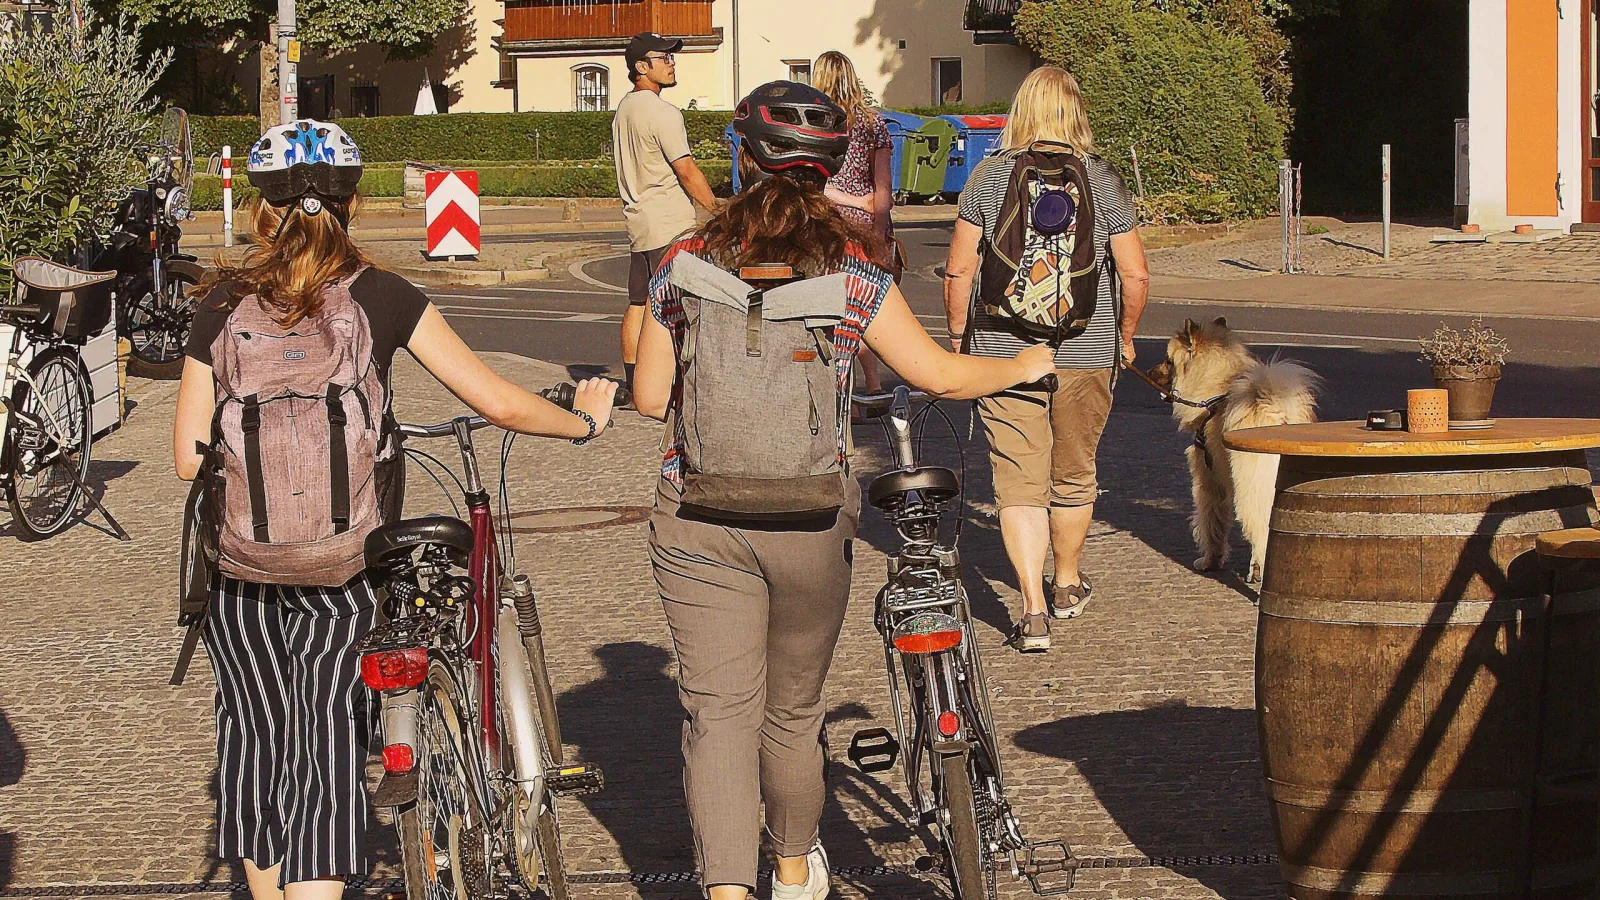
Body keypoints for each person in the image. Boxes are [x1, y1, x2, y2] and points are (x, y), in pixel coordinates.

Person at [171, 119, 617, 900]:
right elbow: (496, 401)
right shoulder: (382, 296)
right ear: (354, 202)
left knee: (255, 738)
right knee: (327, 747)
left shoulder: (220, 307)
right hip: (346, 570)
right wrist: (583, 421)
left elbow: (185, 458)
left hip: (241, 576)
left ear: (258, 209)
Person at [632, 82, 1053, 900]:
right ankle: (793, 871)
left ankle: (726, 892)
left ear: (743, 158)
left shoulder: (681, 266)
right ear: (828, 172)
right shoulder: (855, 274)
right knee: (792, 714)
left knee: (718, 718)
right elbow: (935, 373)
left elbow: (650, 399)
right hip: (811, 517)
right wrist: (1021, 366)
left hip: (697, 516)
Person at [942, 66, 1151, 653]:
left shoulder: (989, 177)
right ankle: (1065, 585)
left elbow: (960, 270)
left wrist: (960, 339)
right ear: (1076, 113)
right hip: (1086, 349)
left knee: (1018, 484)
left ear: (1022, 111)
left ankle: (1031, 611)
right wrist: (1126, 337)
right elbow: (1133, 274)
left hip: (1004, 351)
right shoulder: (1102, 180)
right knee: (1074, 474)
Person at [615, 31, 720, 396]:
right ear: (641, 67)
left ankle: (633, 382)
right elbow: (686, 169)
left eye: (672, 58)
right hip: (671, 225)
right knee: (680, 306)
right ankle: (676, 382)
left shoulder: (624, 110)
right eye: (665, 58)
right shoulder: (664, 112)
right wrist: (716, 208)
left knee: (638, 303)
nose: (672, 63)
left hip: (639, 223)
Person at [814, 49, 892, 394]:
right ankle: (873, 386)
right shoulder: (873, 123)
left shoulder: (816, 123)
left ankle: (842, 393)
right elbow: (884, 189)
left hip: (824, 224)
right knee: (866, 308)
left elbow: (816, 185)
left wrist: (844, 199)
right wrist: (878, 232)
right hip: (864, 225)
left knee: (832, 314)